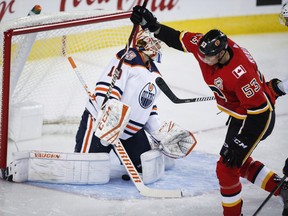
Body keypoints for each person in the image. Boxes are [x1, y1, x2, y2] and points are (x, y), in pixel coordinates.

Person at [130, 6, 288, 216]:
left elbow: (261, 112)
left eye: (208, 58)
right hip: (240, 113)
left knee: (226, 168)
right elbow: (178, 38)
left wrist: (241, 143)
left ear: (222, 53)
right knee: (235, 163)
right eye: (202, 55)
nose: (203, 60)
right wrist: (153, 25)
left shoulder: (241, 74)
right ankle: (281, 187)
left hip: (255, 118)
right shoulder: (207, 47)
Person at [74, 29, 196, 183]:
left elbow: (148, 106)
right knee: (85, 171)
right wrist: (109, 115)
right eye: (152, 41)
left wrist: (158, 131)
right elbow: (106, 88)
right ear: (142, 43)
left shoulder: (156, 75)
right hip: (100, 123)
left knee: (145, 168)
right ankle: (95, 147)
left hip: (129, 131)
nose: (157, 45)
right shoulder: (128, 57)